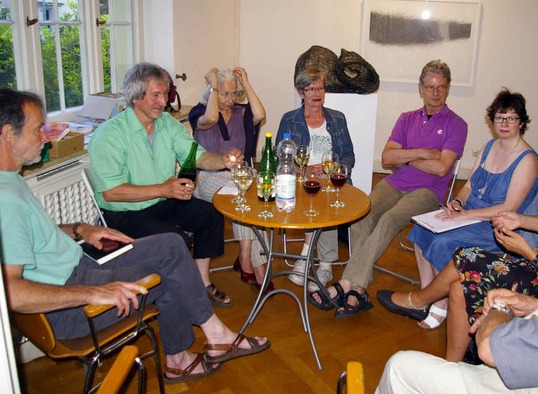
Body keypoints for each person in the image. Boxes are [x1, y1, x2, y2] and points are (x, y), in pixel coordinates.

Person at [0, 88, 270, 385]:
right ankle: (192, 352)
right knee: (171, 270)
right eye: (38, 128)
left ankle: (205, 342)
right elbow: (10, 293)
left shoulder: (11, 181)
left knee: (171, 246)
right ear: (8, 134)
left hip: (81, 268)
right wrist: (92, 293)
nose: (46, 136)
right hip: (71, 308)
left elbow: (32, 238)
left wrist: (80, 228)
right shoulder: (6, 199)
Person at [377, 112, 538, 361]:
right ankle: (451, 365)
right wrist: (522, 220)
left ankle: (420, 300)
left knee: (464, 260)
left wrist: (529, 252)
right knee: (459, 278)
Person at [375, 178, 538, 394]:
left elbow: (491, 349)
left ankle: (421, 302)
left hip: (528, 385)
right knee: (460, 280)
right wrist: (537, 306)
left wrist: (500, 309)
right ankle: (446, 352)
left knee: (400, 366)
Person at [308, 59, 468, 318]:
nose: (435, 93)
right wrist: (422, 153)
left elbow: (441, 169)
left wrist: (404, 156)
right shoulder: (406, 119)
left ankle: (348, 283)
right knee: (361, 215)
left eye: (441, 87)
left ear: (448, 88)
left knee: (389, 219)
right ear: (421, 88)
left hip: (428, 191)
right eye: (430, 87)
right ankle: (358, 290)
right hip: (395, 182)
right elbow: (386, 158)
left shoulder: (457, 124)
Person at [382, 88, 538, 329]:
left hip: (497, 225)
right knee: (421, 231)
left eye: (511, 118)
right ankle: (427, 293)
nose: (504, 123)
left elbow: (509, 207)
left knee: (442, 242)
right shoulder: (489, 147)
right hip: (469, 214)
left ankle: (441, 303)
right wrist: (457, 202)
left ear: (521, 122)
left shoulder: (527, 159)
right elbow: (469, 186)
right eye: (500, 117)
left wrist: (465, 215)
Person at [88, 62, 242, 307]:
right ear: (136, 97)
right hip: (123, 213)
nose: (163, 101)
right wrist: (163, 189)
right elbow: (112, 192)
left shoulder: (167, 124)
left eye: (165, 94)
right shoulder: (109, 135)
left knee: (210, 214)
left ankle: (202, 283)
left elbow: (198, 155)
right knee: (176, 240)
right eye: (156, 95)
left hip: (161, 200)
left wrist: (223, 160)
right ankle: (181, 295)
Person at [188, 66, 272, 292]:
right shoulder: (199, 113)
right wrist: (214, 85)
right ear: (214, 91)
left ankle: (254, 261)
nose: (230, 98)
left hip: (239, 173)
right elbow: (212, 117)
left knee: (261, 192)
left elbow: (261, 114)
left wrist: (246, 82)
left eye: (234, 93)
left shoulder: (239, 113)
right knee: (242, 192)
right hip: (209, 177)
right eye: (225, 93)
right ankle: (249, 261)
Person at [276, 68, 356, 293]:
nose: (316, 93)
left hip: (331, 179)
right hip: (301, 178)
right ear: (301, 93)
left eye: (320, 88)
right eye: (311, 89)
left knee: (325, 198)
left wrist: (335, 169)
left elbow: (349, 155)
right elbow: (280, 155)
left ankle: (312, 259)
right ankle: (322, 262)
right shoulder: (289, 120)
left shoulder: (337, 119)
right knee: (315, 196)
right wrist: (301, 169)